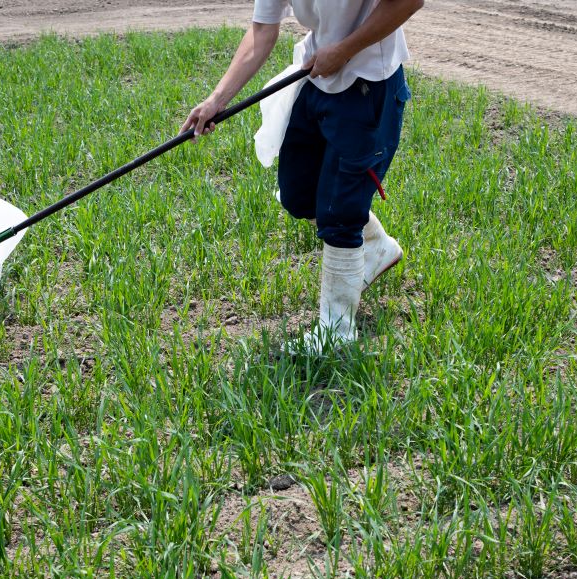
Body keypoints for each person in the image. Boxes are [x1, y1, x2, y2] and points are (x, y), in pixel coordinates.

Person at [181, 0, 423, 352]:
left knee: (340, 211)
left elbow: (409, 1)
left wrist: (344, 49)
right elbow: (263, 30)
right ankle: (375, 246)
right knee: (298, 194)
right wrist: (217, 98)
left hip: (369, 84)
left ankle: (337, 331)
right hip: (316, 78)